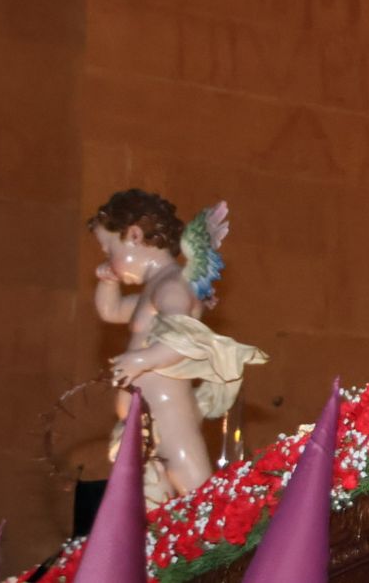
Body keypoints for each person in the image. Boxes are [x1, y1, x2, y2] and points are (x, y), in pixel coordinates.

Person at [91, 189, 266, 502]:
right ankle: (165, 543)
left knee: (191, 480)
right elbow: (110, 311)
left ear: (133, 235)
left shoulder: (173, 285)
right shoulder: (151, 291)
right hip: (141, 418)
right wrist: (107, 282)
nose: (108, 260)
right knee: (145, 497)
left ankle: (217, 531)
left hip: (168, 409)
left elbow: (186, 340)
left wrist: (142, 360)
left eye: (109, 249)